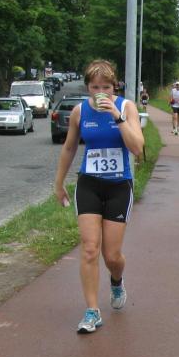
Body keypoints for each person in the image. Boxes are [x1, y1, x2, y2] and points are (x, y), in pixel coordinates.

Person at [53, 60, 144, 333]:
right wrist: (59, 183)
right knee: (90, 248)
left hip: (119, 186)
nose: (100, 92)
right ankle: (92, 311)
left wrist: (117, 116)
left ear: (114, 87)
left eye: (106, 87)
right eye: (95, 87)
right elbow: (69, 148)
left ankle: (116, 280)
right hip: (89, 184)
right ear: (87, 87)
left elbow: (137, 148)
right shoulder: (80, 111)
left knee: (111, 255)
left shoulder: (127, 107)